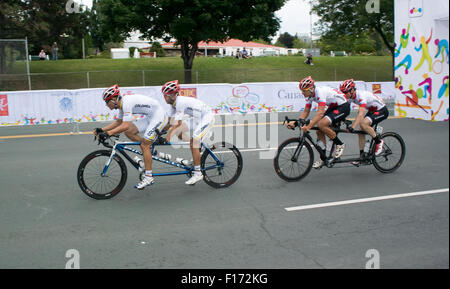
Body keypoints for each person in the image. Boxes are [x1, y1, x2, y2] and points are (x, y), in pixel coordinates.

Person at [94, 84, 169, 190]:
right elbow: (119, 122)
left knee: (144, 145)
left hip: (159, 116)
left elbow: (124, 125)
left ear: (114, 99)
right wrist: (102, 130)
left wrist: (108, 133)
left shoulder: (126, 103)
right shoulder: (121, 105)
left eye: (107, 101)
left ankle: (149, 177)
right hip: (150, 117)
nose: (106, 105)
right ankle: (151, 151)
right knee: (129, 132)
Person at [286, 76, 350, 169]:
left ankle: (339, 144)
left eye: (304, 91)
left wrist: (308, 127)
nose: (302, 93)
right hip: (333, 107)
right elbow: (306, 112)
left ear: (311, 89)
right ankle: (323, 158)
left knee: (321, 124)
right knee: (319, 131)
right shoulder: (309, 96)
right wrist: (295, 123)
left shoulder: (320, 93)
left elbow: (320, 113)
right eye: (302, 91)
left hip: (343, 106)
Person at [161, 80, 215, 185]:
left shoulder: (180, 102)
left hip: (206, 117)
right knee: (179, 132)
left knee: (193, 143)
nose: (164, 98)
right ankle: (198, 145)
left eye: (165, 95)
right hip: (197, 118)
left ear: (172, 96)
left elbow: (176, 123)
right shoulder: (173, 105)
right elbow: (169, 122)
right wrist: (160, 132)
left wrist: (167, 138)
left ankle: (198, 173)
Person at [339, 79, 388, 164]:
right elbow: (345, 109)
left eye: (345, 92)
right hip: (373, 110)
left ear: (352, 90)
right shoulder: (350, 97)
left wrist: (353, 127)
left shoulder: (361, 96)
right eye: (343, 92)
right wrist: (341, 119)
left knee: (363, 123)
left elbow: (361, 113)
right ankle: (362, 156)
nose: (344, 94)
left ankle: (379, 141)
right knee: (361, 130)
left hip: (382, 110)